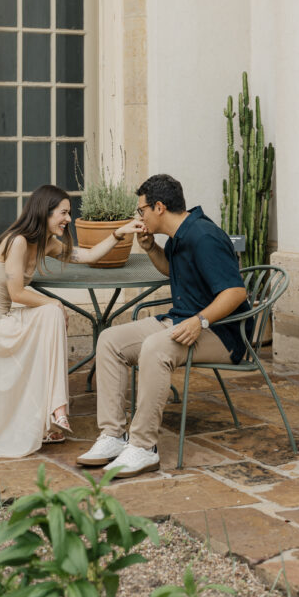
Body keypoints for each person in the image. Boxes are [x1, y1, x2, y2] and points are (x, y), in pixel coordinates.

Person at [77, 173, 251, 478]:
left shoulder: (203, 236)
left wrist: (201, 321)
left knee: (156, 347)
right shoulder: (178, 237)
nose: (138, 216)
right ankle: (113, 437)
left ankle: (143, 447)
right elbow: (172, 269)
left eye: (141, 210)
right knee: (110, 340)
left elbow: (236, 292)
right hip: (182, 321)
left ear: (159, 207)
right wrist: (150, 248)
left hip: (222, 334)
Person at [0, 184, 144, 460]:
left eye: (69, 213)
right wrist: (54, 302)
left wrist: (119, 233)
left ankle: (55, 411)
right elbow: (16, 293)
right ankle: (55, 411)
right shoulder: (17, 241)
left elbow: (88, 256)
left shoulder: (47, 243)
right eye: (64, 212)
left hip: (2, 319)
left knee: (50, 316)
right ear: (45, 212)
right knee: (52, 312)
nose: (69, 219)